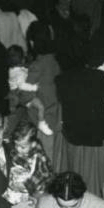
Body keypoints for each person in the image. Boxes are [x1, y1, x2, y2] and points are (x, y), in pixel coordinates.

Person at [54, 46, 104, 200]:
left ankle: (73, 192)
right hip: (100, 134)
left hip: (74, 135)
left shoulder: (60, 80)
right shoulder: (101, 76)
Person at [4, 120, 53, 208]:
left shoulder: (38, 157)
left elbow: (45, 175)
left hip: (38, 188)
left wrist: (30, 188)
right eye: (17, 145)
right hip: (23, 185)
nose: (19, 149)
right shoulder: (18, 151)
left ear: (32, 143)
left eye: (23, 147)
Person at [24, 20, 62, 158]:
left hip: (43, 120)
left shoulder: (37, 66)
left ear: (32, 42)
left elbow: (25, 95)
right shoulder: (55, 61)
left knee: (45, 159)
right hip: (57, 117)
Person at [5, 44, 53, 136]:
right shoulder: (19, 73)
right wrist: (34, 87)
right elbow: (22, 85)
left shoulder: (13, 69)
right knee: (40, 107)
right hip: (23, 94)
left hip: (17, 95)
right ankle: (42, 123)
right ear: (22, 59)